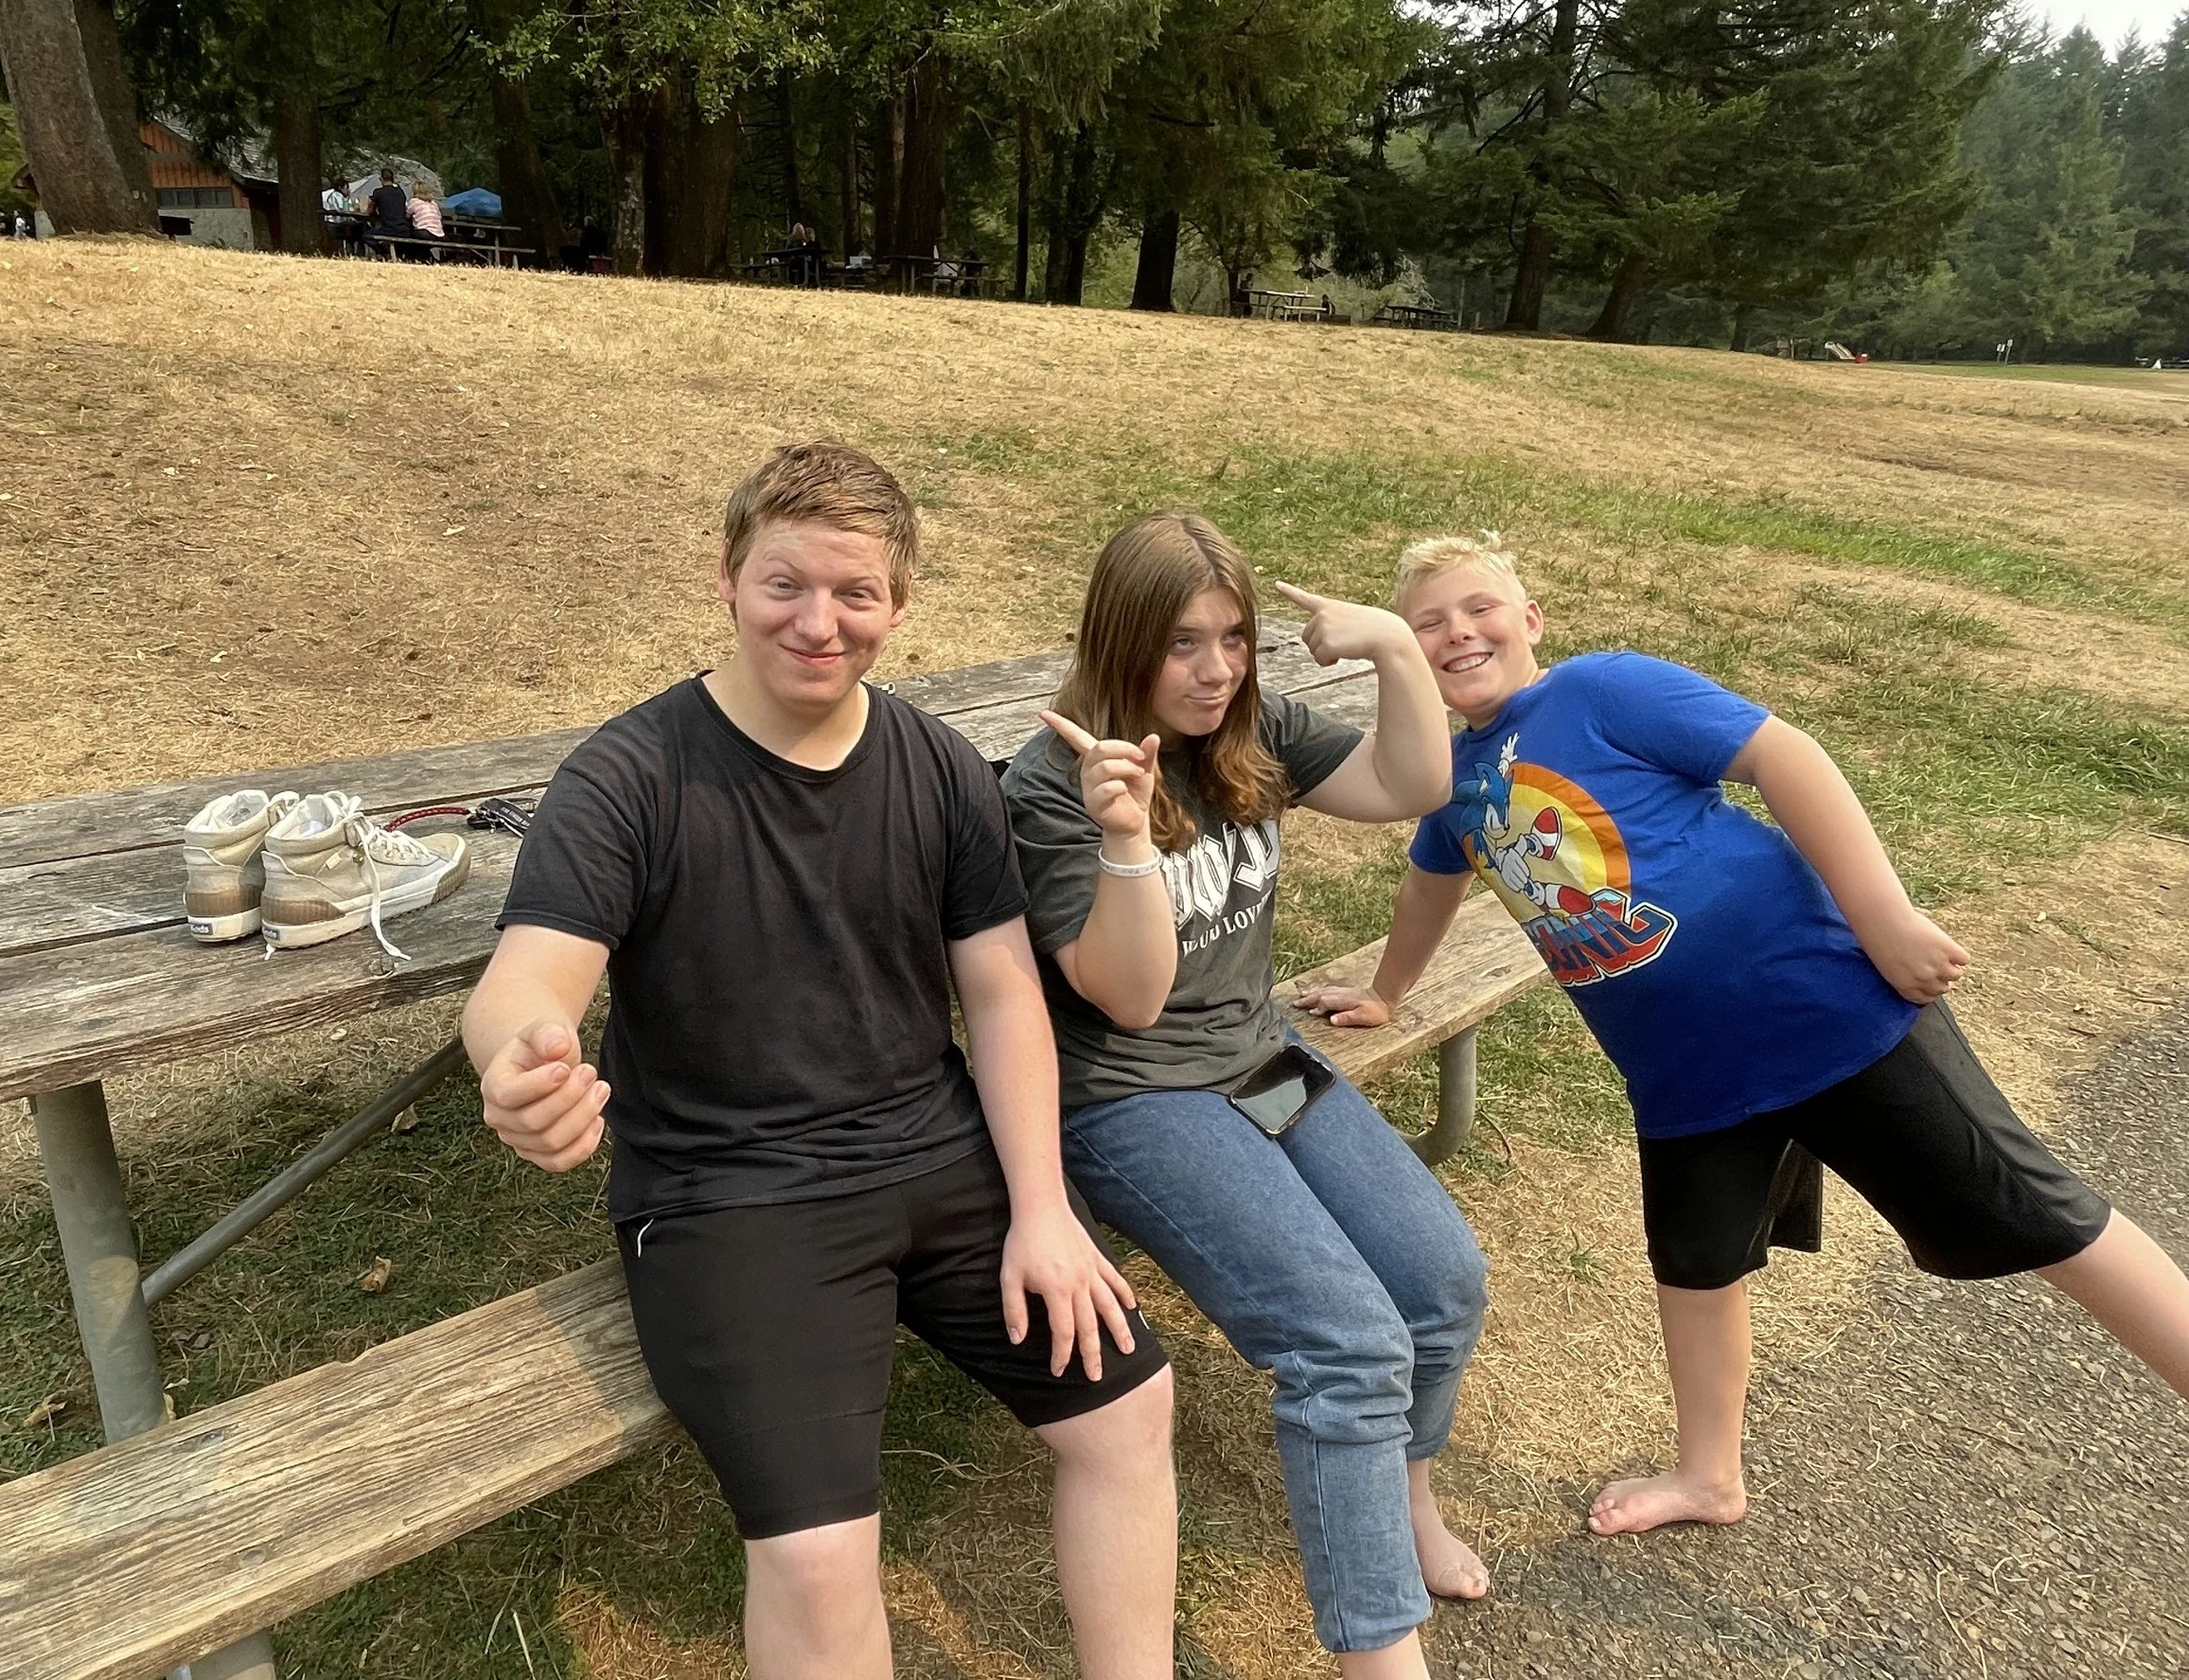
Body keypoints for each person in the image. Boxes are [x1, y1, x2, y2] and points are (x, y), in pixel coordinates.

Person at [1300, 532, 2189, 1540]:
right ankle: (1708, 1477)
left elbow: (1781, 754)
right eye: (1428, 624)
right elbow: (1429, 884)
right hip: (1683, 1077)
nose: (1458, 631)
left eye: (1478, 607)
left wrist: (1882, 916)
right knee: (1695, 1265)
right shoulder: (1449, 778)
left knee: (2037, 1212)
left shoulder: (1601, 690)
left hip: (1825, 1016)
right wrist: (1385, 989)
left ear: (1530, 619)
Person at [463, 443, 1178, 1680]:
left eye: (856, 593)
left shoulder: (942, 765)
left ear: (898, 606)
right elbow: (529, 978)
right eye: (786, 584)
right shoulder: (630, 774)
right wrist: (520, 1059)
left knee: (1128, 1407)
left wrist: (1046, 1211)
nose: (819, 620)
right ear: (728, 578)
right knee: (818, 1557)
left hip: (939, 1160)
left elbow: (1004, 991)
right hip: (732, 1198)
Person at [998, 513, 1491, 1680]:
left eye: (1233, 639)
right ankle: (1380, 1654)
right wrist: (1124, 839)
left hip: (1256, 1062)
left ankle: (1405, 1500)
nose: (1215, 670)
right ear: (1121, 643)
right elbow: (1125, 1001)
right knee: (1344, 1337)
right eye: (1181, 644)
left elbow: (1416, 782)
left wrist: (1395, 654)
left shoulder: (1244, 725)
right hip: (1129, 1101)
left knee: (1438, 1283)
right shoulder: (1052, 783)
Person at [368, 169, 415, 247]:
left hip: (389, 228)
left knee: (367, 236)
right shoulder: (400, 192)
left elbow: (370, 211)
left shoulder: (378, 192)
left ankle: (383, 253)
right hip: (404, 229)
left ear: (381, 179)